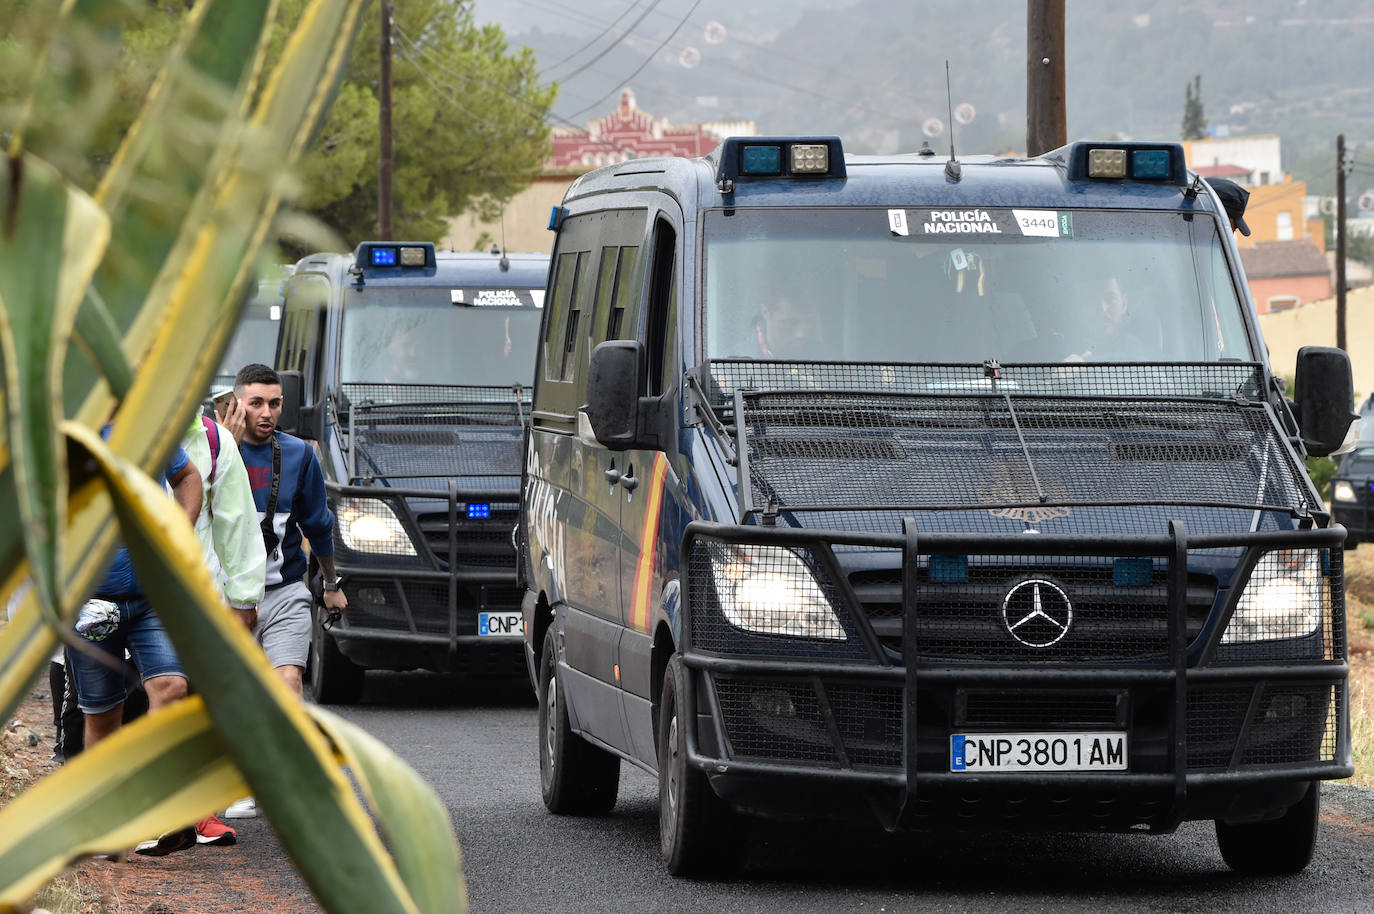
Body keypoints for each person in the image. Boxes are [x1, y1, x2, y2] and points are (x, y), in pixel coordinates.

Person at [217, 363, 347, 819]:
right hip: (227, 595)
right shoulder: (210, 449)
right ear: (236, 404)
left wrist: (330, 584)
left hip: (284, 589)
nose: (266, 413)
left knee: (288, 680)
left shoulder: (298, 455)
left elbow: (318, 524)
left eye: (274, 403)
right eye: (256, 403)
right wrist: (227, 449)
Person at [66, 424, 203, 856]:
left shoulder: (147, 422)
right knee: (103, 717)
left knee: (172, 686)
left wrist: (179, 533)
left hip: (151, 595)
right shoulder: (65, 431)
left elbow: (187, 476)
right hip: (88, 602)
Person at [179, 412, 267, 846]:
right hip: (124, 592)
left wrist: (244, 600)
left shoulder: (212, 441)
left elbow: (237, 523)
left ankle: (199, 812)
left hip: (200, 597)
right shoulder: (107, 427)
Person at [755, 293, 824, 360]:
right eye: (790, 323)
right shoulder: (750, 353)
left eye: (808, 322)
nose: (801, 334)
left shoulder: (822, 355)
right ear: (766, 312)